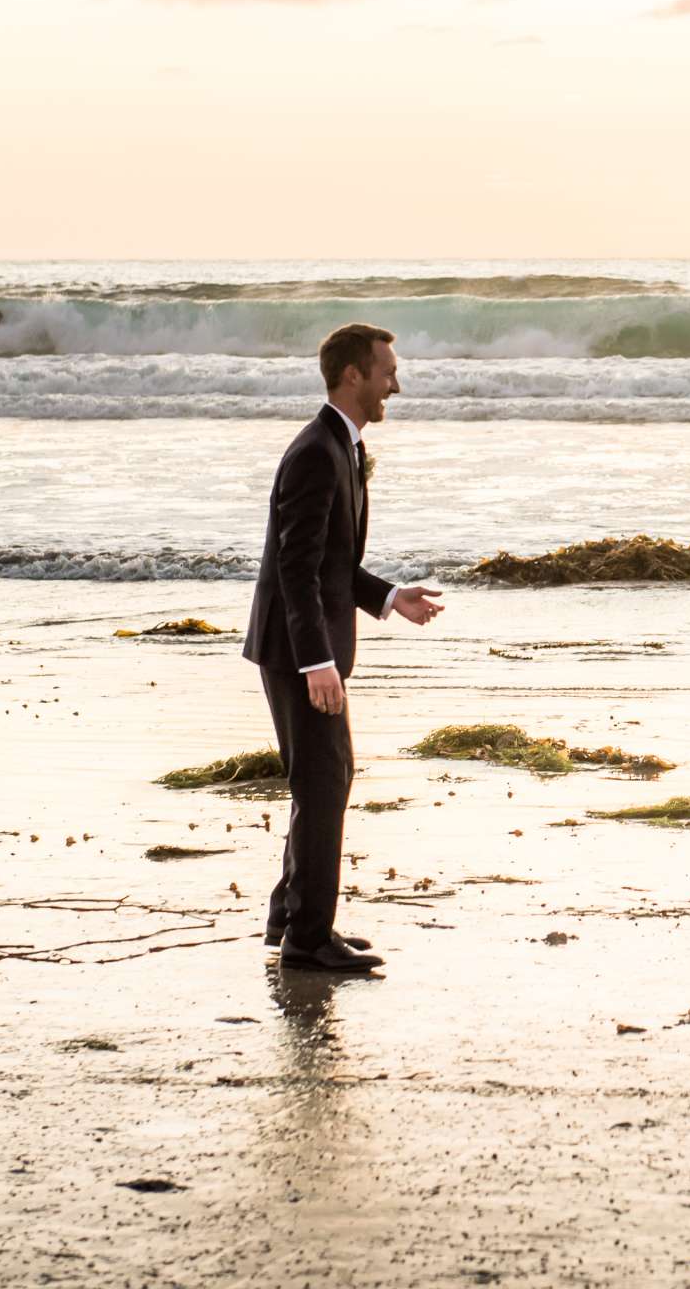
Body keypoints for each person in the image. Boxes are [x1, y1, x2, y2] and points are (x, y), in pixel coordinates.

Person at [241, 323, 445, 973]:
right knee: (326, 781)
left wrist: (388, 598)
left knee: (322, 781)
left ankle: (289, 918)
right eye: (387, 370)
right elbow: (295, 570)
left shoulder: (341, 446)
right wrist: (317, 662)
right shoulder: (314, 453)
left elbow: (330, 565)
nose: (396, 382)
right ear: (353, 375)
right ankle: (307, 939)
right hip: (298, 652)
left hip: (305, 647)